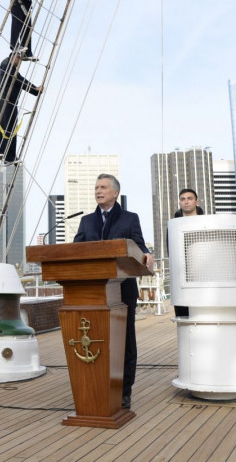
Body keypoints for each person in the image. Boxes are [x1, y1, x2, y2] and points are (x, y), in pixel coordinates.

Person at [73, 173, 153, 410]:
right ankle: (97, 387)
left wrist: (147, 253)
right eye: (96, 187)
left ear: (115, 192)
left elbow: (139, 246)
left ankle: (124, 391)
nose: (98, 190)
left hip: (123, 290)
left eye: (103, 187)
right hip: (93, 291)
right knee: (98, 340)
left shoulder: (129, 218)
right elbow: (76, 251)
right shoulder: (86, 221)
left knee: (125, 342)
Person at [0, 53, 42, 164]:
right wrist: (35, 89)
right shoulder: (5, 64)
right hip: (4, 100)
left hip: (13, 103)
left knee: (12, 129)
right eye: (18, 57)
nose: (19, 61)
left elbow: (21, 83)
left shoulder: (14, 70)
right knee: (2, 125)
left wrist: (35, 90)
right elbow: (20, 80)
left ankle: (10, 156)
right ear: (12, 56)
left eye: (20, 59)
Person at [170, 188, 204, 318]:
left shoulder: (206, 222)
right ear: (179, 203)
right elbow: (170, 248)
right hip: (181, 274)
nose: (186, 202)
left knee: (202, 312)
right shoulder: (173, 225)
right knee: (183, 314)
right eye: (183, 199)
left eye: (190, 198)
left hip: (202, 272)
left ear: (197, 202)